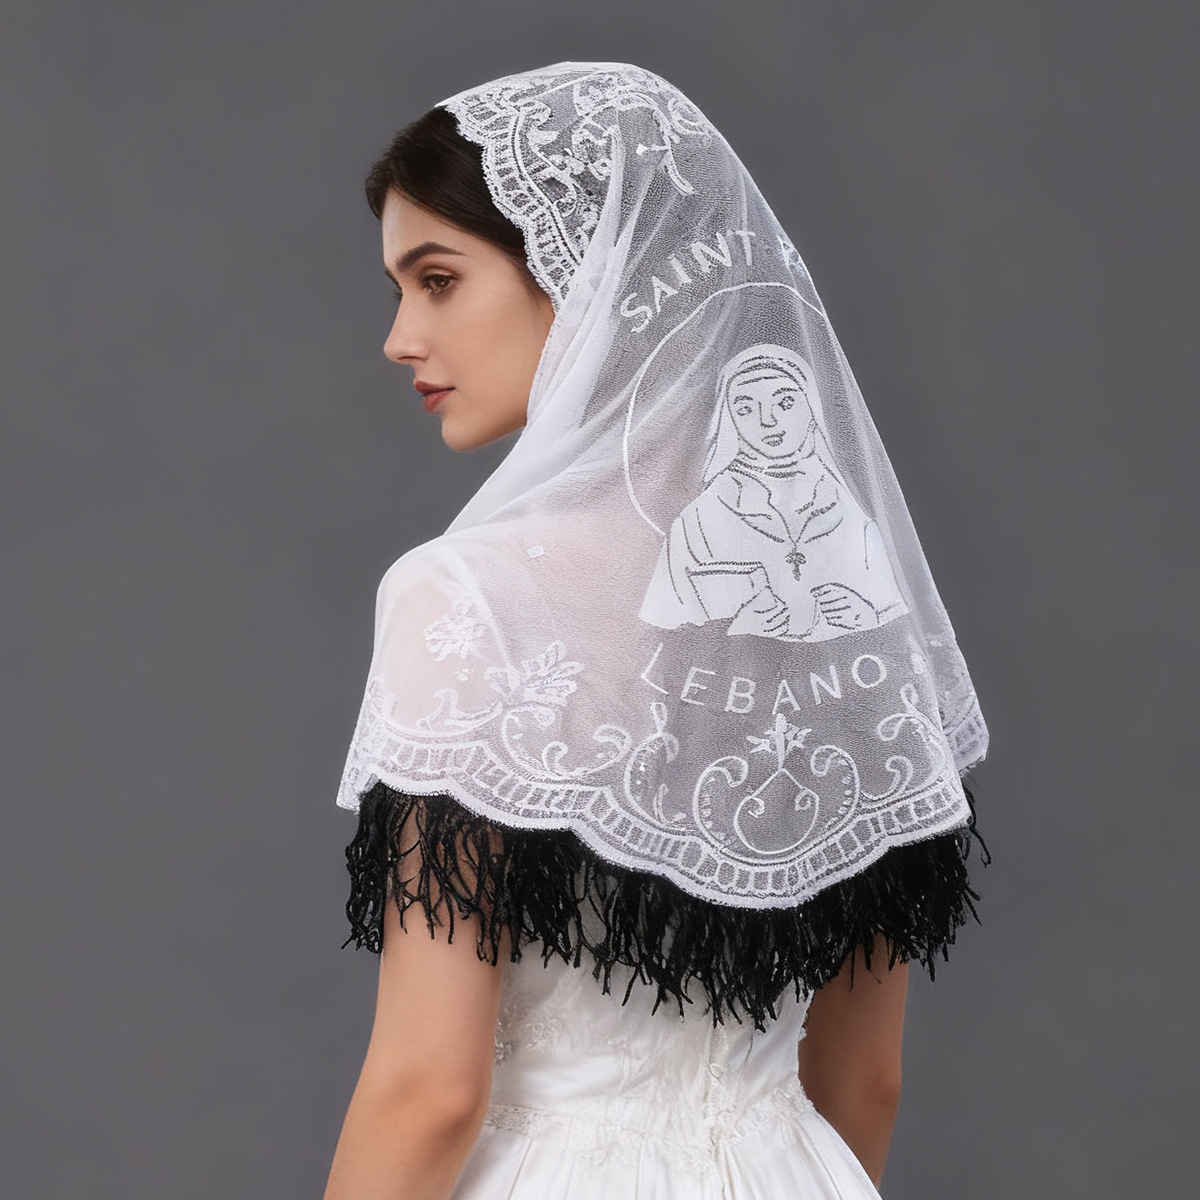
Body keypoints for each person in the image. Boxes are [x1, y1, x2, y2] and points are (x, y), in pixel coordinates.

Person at [322, 63, 989, 1200]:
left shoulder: (467, 596)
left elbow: (430, 1093)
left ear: (591, 278)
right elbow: (865, 1076)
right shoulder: (853, 586)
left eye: (437, 280)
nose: (400, 337)